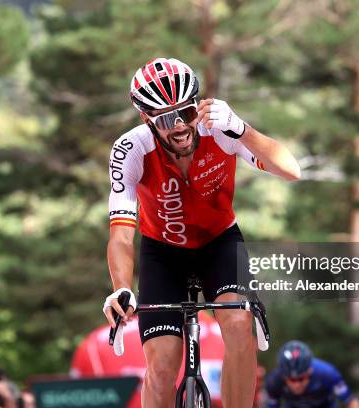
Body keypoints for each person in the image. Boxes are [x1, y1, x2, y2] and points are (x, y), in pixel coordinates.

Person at [103, 57, 301, 407]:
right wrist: (120, 287)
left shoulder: (219, 129)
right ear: (146, 119)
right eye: (165, 118)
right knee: (162, 366)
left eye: (187, 112)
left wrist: (242, 129)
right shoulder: (130, 149)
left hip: (218, 243)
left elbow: (291, 169)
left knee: (240, 326)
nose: (179, 125)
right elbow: (120, 235)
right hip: (161, 253)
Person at [265, 340, 359, 408]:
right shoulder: (274, 381)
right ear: (284, 376)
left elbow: (351, 401)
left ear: (309, 370)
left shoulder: (327, 373)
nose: (296, 385)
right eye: (292, 379)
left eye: (301, 378)